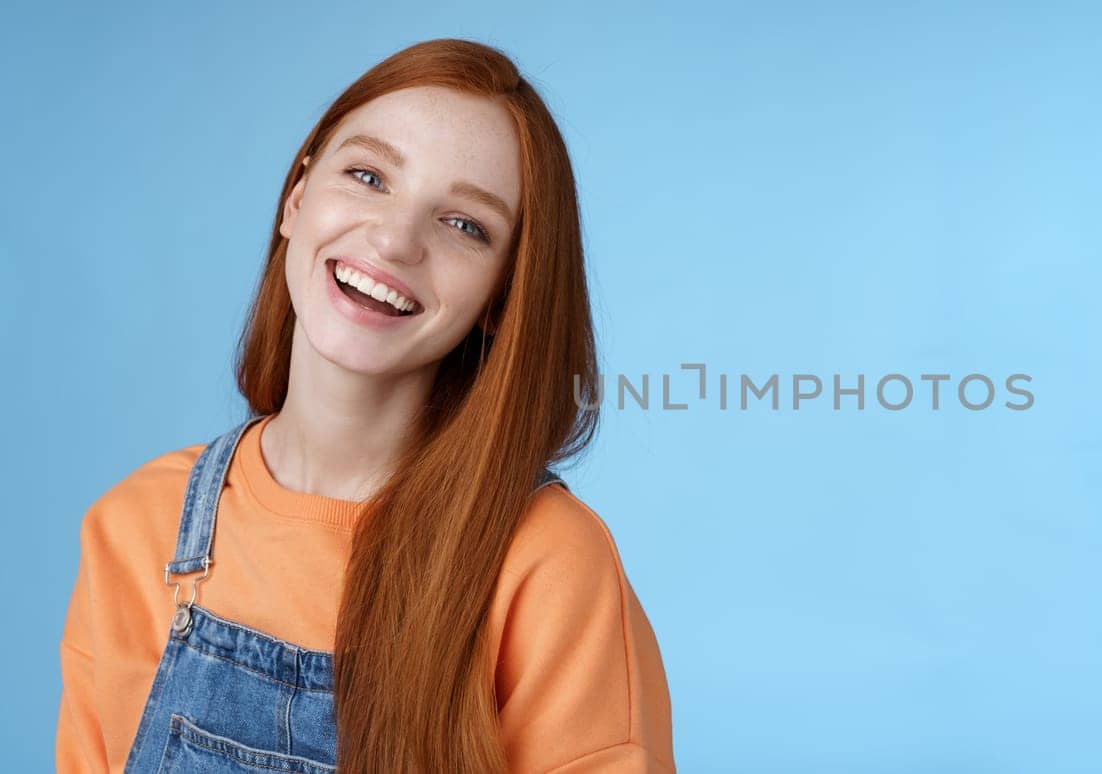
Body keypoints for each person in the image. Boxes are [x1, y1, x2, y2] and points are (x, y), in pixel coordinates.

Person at [55, 38, 674, 773]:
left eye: (465, 225)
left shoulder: (546, 566)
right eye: (368, 176)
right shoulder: (134, 531)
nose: (394, 238)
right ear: (297, 197)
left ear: (499, 301)